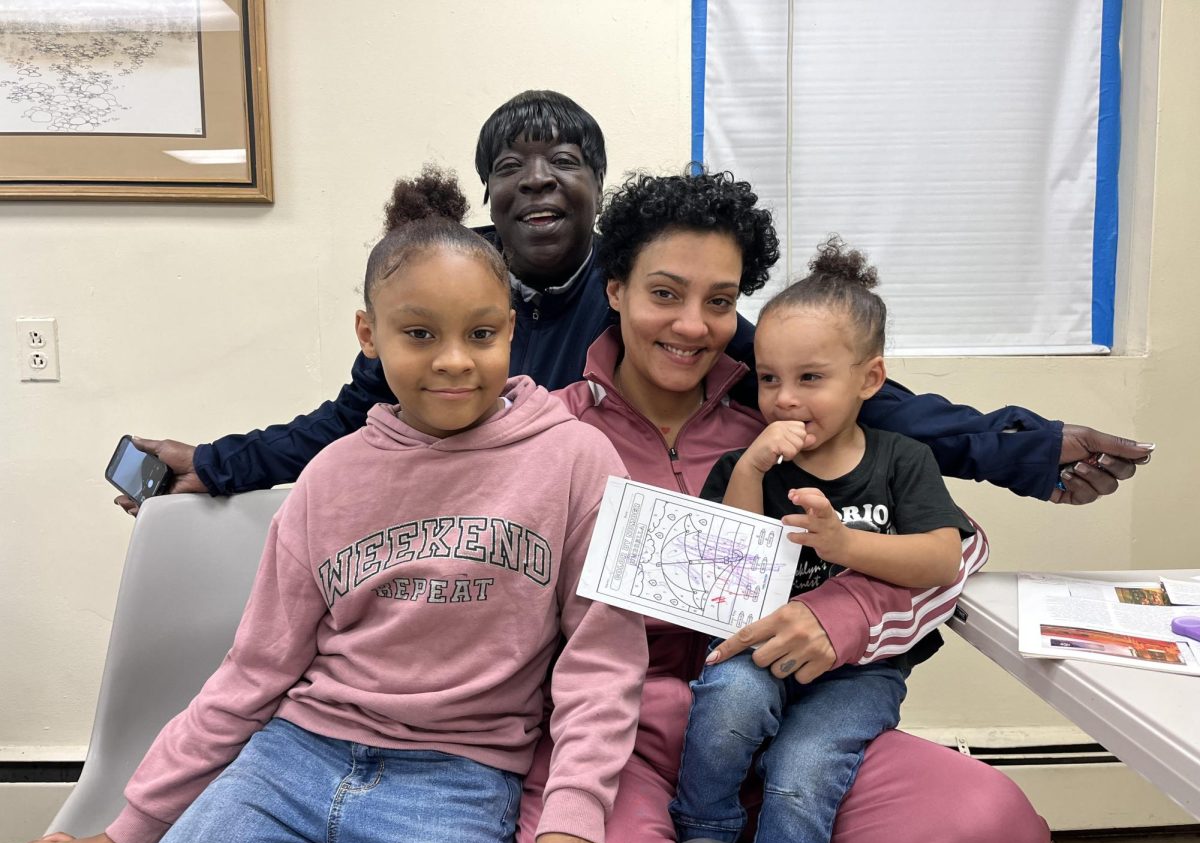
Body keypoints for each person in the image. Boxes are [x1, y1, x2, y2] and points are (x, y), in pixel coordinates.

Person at [1, 168, 648, 843]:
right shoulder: (331, 477)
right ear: (369, 336)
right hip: (291, 757)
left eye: (481, 333)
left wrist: (573, 824)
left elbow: (602, 661)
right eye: (418, 333)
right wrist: (125, 835)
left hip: (457, 782)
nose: (454, 359)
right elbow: (252, 673)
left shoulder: (577, 461)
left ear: (511, 326)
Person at [114, 90, 1151, 514]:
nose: (537, 179)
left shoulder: (659, 306)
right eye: (511, 166)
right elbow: (350, 420)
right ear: (488, 197)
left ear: (600, 201)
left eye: (564, 159)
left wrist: (1026, 446)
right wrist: (208, 463)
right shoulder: (442, 292)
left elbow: (844, 398)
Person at [504, 171, 1050, 843]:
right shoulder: (549, 430)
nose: (693, 325)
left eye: (721, 302)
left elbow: (959, 549)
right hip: (616, 745)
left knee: (995, 832)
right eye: (664, 293)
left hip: (785, 725)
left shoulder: (786, 415)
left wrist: (840, 613)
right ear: (614, 291)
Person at [667, 239, 977, 843]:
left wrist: (845, 545)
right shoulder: (746, 463)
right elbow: (725, 564)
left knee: (803, 768)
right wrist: (750, 467)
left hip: (861, 675)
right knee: (726, 699)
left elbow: (941, 557)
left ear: (868, 379)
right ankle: (704, 839)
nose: (785, 399)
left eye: (810, 378)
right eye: (770, 378)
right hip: (761, 652)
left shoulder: (901, 460)